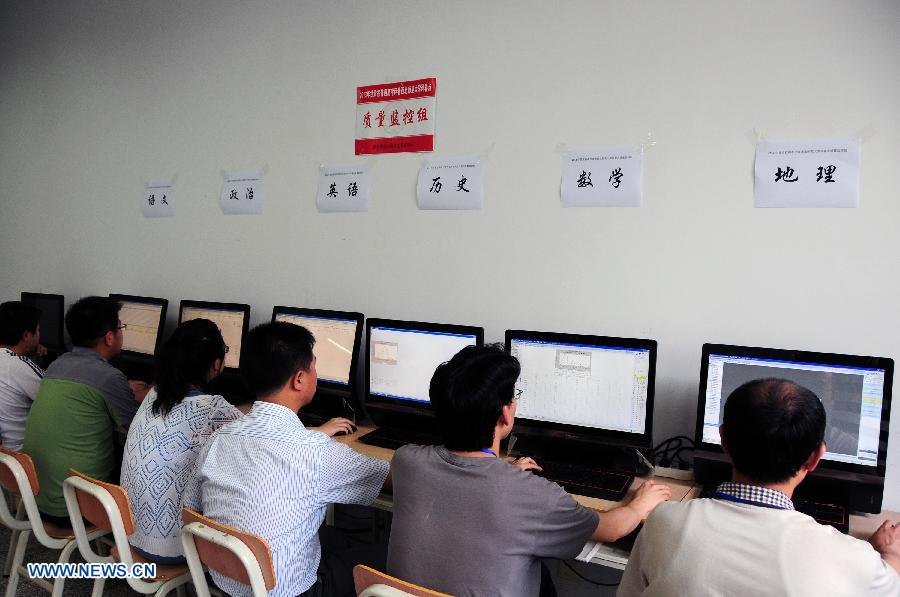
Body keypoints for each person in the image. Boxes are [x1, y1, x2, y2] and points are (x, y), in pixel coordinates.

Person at [387, 344, 672, 597]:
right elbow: (610, 529)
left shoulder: (405, 461)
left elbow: (461, 480)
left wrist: (500, 471)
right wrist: (640, 505)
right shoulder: (533, 494)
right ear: (506, 414)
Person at [618, 378, 900, 596]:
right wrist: (889, 554)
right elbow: (891, 585)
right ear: (815, 458)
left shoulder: (664, 520)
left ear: (723, 441)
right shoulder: (850, 558)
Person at [182, 321, 390, 597]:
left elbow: (190, 510)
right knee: (390, 555)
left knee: (334, 536)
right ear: (300, 379)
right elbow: (392, 480)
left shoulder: (220, 438)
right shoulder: (314, 451)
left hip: (227, 582)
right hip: (293, 591)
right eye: (314, 366)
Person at [120, 319, 242, 564]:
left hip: (131, 536)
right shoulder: (212, 408)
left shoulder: (153, 394)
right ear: (217, 364)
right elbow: (262, 430)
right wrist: (320, 430)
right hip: (175, 548)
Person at [23, 296, 144, 526]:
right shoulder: (110, 378)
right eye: (120, 327)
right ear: (109, 337)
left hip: (37, 498)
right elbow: (136, 431)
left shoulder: (57, 365)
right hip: (75, 508)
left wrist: (123, 390)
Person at [0, 301, 45, 450]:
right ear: (26, 335)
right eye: (38, 331)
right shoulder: (18, 365)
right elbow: (53, 396)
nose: (40, 336)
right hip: (17, 458)